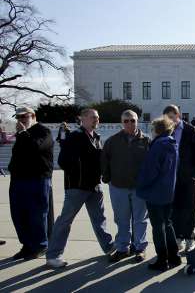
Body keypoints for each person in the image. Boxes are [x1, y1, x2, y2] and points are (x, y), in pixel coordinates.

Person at [47, 108, 114, 268]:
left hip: (94, 186)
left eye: (97, 118)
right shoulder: (75, 137)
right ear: (82, 119)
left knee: (100, 219)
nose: (96, 120)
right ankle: (53, 255)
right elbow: (63, 161)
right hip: (77, 187)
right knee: (65, 220)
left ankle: (109, 246)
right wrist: (79, 172)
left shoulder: (97, 138)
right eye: (92, 117)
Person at [101, 110, 151, 263]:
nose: (130, 123)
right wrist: (108, 177)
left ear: (138, 121)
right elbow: (104, 160)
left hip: (139, 188)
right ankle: (123, 248)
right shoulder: (112, 141)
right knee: (122, 219)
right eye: (126, 121)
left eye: (133, 120)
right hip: (118, 187)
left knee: (140, 220)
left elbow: (153, 164)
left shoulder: (146, 141)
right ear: (121, 123)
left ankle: (139, 248)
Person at [8, 107, 54, 260]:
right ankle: (27, 244)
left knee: (37, 214)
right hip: (18, 180)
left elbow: (36, 147)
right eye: (18, 118)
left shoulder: (43, 131)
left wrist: (23, 133)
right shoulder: (21, 135)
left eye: (24, 117)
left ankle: (41, 244)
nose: (21, 120)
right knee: (19, 215)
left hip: (38, 179)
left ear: (33, 116)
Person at [135, 116, 181, 271]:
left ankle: (162, 259)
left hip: (155, 192)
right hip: (168, 191)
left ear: (157, 130)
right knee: (167, 223)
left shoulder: (158, 146)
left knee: (157, 226)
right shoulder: (172, 143)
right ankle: (174, 255)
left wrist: (140, 185)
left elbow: (150, 171)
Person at [163, 105, 195, 253]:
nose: (170, 120)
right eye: (167, 118)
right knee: (174, 208)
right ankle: (178, 238)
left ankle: (189, 238)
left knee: (188, 207)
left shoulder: (191, 130)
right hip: (170, 176)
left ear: (178, 115)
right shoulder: (165, 131)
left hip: (187, 175)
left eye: (171, 117)